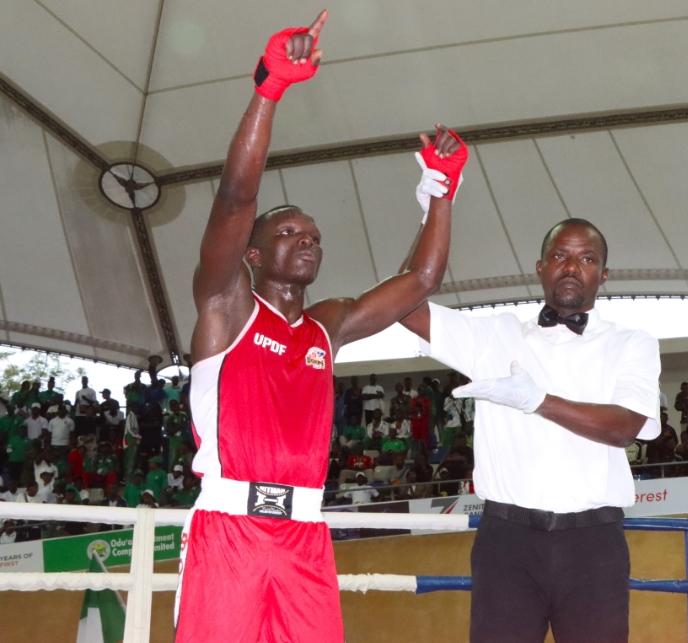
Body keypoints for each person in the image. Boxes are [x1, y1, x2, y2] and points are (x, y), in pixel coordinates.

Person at [174, 11, 467, 643]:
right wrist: (269, 89)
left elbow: (419, 282)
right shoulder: (226, 306)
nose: (307, 241)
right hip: (229, 531)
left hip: (306, 535)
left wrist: (442, 189)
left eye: (313, 236)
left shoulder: (326, 326)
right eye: (289, 232)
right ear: (253, 254)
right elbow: (234, 199)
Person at [402, 217, 661, 642]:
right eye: (560, 256)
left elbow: (624, 427)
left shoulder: (633, 343)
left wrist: (538, 401)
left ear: (604, 275)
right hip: (507, 542)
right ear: (540, 267)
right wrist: (433, 211)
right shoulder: (493, 335)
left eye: (587, 259)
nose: (572, 267)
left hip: (594, 544)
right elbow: (404, 305)